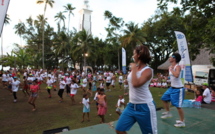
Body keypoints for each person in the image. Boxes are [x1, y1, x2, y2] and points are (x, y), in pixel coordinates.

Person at [116, 45, 157, 134]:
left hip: (145, 106)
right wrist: (127, 81)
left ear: (138, 55)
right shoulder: (135, 69)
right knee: (119, 129)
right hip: (131, 105)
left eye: (134, 54)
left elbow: (136, 84)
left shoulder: (148, 70)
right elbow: (132, 80)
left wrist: (134, 69)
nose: (133, 56)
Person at [161, 53, 185, 128]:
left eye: (170, 57)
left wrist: (171, 69)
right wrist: (167, 79)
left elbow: (177, 75)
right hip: (172, 88)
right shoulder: (170, 67)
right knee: (164, 98)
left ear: (174, 59)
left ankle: (182, 121)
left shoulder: (177, 67)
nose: (169, 58)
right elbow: (172, 77)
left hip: (178, 89)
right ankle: (168, 113)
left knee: (178, 106)